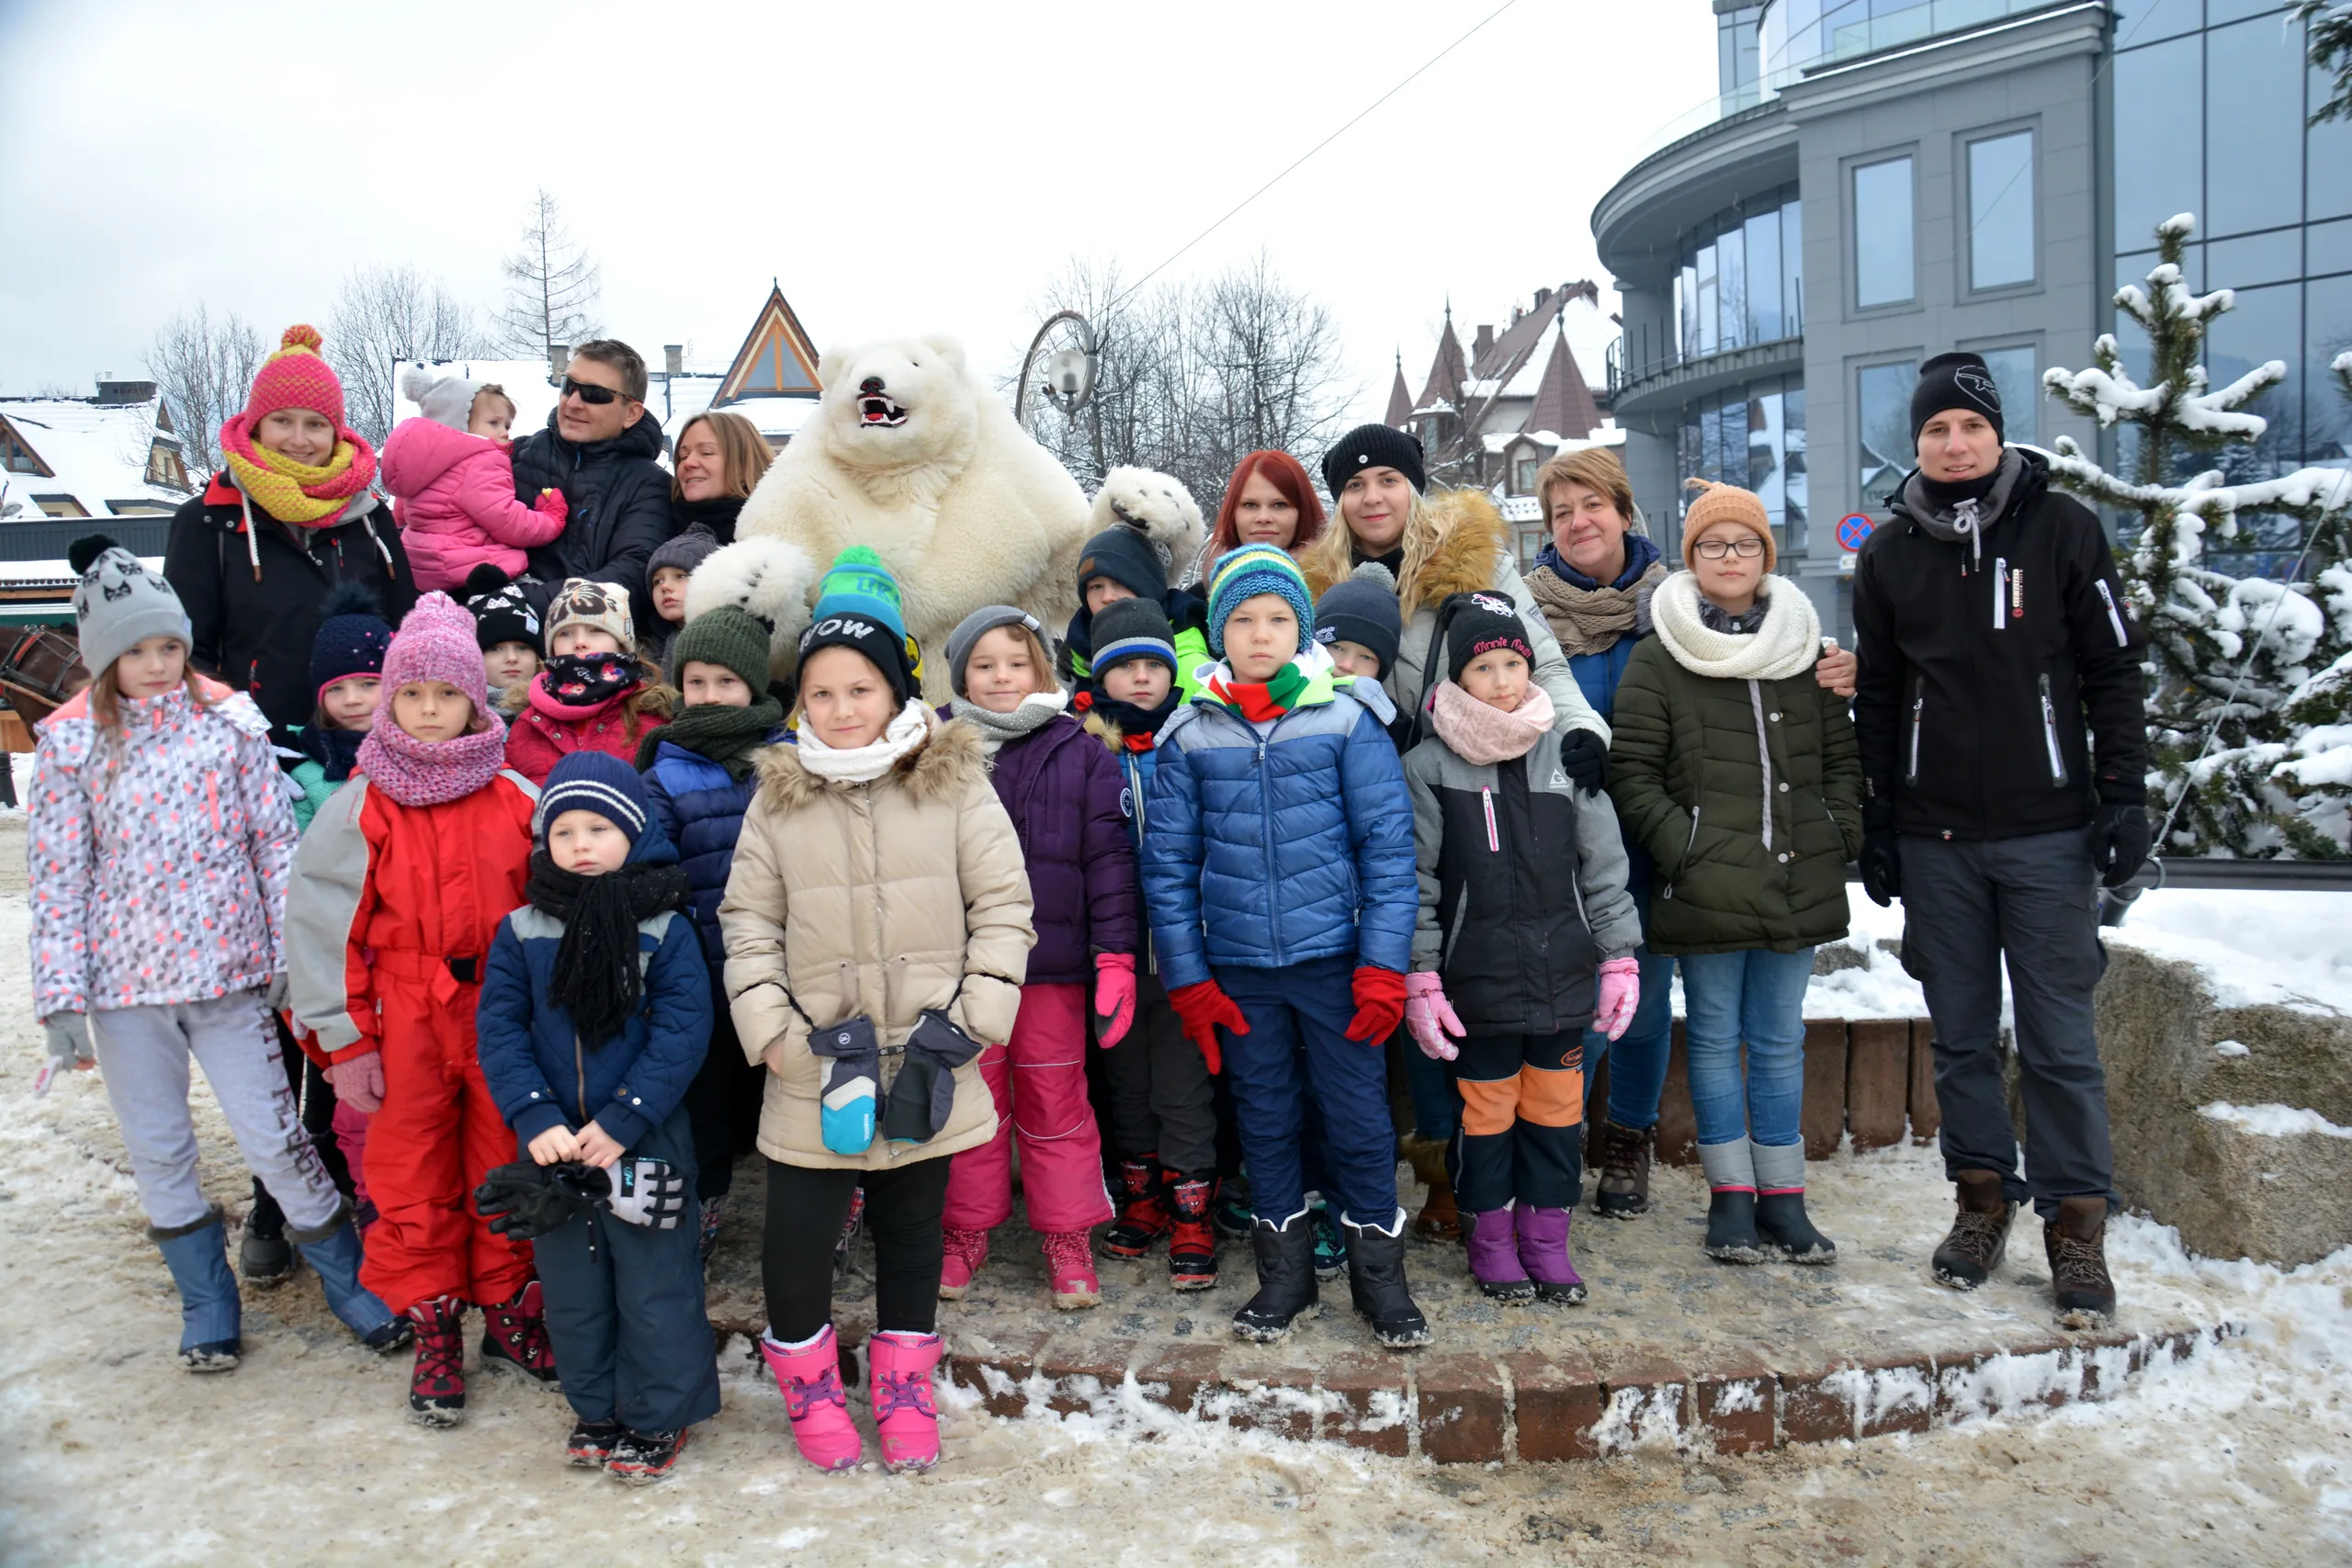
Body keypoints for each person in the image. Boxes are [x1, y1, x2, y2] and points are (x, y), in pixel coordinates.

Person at [29, 537, 404, 1370]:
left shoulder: (229, 727)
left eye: (169, 645)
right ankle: (206, 1300)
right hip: (128, 991)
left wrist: (286, 957)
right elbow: (57, 875)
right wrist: (60, 998)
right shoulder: (71, 750)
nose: (158, 665)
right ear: (104, 660)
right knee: (161, 1147)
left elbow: (276, 844)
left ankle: (345, 1278)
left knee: (273, 1134)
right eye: (136, 651)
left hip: (232, 977)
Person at [720, 548, 1033, 1475]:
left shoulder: (951, 780)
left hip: (929, 1056)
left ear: (896, 690)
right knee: (799, 1234)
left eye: (861, 687)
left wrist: (976, 1016)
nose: (843, 707)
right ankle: (808, 1384)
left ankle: (902, 1382)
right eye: (822, 693)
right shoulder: (778, 800)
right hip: (817, 1063)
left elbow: (1005, 907)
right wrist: (772, 1033)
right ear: (800, 704)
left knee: (911, 1232)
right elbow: (747, 924)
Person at [1853, 352, 2150, 1328]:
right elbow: (1883, 700)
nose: (1952, 443)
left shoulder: (2062, 530)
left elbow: (2111, 670)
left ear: (1994, 432)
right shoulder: (1890, 553)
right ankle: (1981, 1200)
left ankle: (2075, 1223)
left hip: (2049, 833)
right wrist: (1881, 823)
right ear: (1919, 443)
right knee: (1963, 1038)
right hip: (1936, 838)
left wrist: (2120, 796)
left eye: (1967, 427)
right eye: (1935, 430)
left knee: (2061, 1041)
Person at [1521, 447, 1856, 1223]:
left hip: (1666, 848)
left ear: (1626, 513)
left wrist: (1841, 667)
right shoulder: (1527, 612)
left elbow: (1772, 668)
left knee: (1642, 1008)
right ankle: (1557, 1132)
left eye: (1592, 505)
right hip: (1563, 843)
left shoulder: (1673, 608)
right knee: (1567, 1009)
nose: (1579, 522)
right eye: (1562, 511)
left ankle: (1629, 1140)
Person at [1140, 543, 1428, 1349]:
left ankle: (1382, 1281)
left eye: (1276, 618)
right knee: (1264, 1119)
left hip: (1336, 966)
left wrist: (1380, 966)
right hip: (1238, 975)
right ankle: (1284, 1275)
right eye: (1241, 619)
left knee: (1359, 1120)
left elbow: (1387, 853)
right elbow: (1166, 868)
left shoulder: (1345, 718)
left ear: (1299, 629)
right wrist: (1191, 981)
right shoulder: (1190, 736)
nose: (1259, 634)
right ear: (1218, 632)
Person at [285, 591, 551, 1426]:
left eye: (446, 695)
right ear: (390, 701)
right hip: (402, 1020)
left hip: (502, 1014)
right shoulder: (359, 806)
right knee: (409, 1175)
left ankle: (509, 1308)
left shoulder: (516, 795)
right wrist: (343, 1040)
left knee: (503, 1163)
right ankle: (434, 1319)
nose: (429, 712)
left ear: (476, 700)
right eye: (412, 695)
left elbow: (554, 914)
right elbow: (324, 934)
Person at [1608, 482, 1861, 1266]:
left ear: (1765, 556)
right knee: (1715, 1037)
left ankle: (1785, 1198)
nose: (1729, 557)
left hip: (1795, 874)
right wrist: (1684, 847)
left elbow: (1841, 760)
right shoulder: (1663, 651)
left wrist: (1837, 831)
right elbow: (1633, 770)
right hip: (1706, 884)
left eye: (1744, 544)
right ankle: (1730, 1197)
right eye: (1713, 544)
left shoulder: (1806, 649)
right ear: (1690, 556)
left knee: (1781, 1039)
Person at [476, 753, 719, 1483]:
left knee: (654, 1284)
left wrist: (623, 1119)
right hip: (554, 1151)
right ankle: (598, 1406)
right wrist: (533, 1114)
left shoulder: (666, 926)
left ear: (634, 832)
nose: (581, 842)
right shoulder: (521, 930)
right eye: (564, 830)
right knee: (575, 1287)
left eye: (600, 827)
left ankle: (658, 1414)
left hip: (644, 1140)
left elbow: (683, 1032)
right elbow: (501, 1029)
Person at [1401, 592, 1643, 1303]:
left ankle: (1546, 1239)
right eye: (1485, 668)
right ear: (1457, 680)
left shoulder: (1566, 758)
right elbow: (1416, 879)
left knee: (1555, 1117)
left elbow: (1603, 866)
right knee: (1487, 1119)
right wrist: (1422, 973)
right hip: (1477, 986)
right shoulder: (1430, 767)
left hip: (1564, 980)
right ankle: (1491, 1237)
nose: (1503, 680)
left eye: (1514, 663)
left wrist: (1618, 954)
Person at [938, 603, 1130, 1308]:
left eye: (1017, 662)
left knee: (1054, 1101)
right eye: (983, 665)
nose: (1001, 677)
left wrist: (1115, 954)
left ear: (1042, 668)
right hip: (965, 967)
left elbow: (1108, 857)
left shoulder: (1078, 747)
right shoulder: (938, 744)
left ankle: (1067, 1234)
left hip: (1054, 966)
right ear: (961, 674)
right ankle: (965, 1228)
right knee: (970, 1100)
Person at [164, 323, 417, 750]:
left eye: (315, 424)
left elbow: (405, 632)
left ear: (335, 432)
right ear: (257, 425)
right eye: (283, 421)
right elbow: (186, 651)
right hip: (252, 750)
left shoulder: (369, 517)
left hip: (362, 749)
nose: (299, 441)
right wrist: (233, 736)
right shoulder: (208, 520)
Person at [1302, 423, 1609, 760]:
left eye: (1388, 480)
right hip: (1353, 786)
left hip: (1467, 785)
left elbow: (1544, 665)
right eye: (1355, 485)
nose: (1372, 497)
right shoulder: (1316, 589)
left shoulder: (1479, 567)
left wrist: (1582, 726)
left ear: (1412, 489)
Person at [639, 605, 789, 1258]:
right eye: (695, 682)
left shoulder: (785, 760)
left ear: (753, 687)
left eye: (724, 682)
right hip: (699, 967)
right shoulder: (664, 768)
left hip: (784, 964)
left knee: (787, 1090)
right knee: (706, 1099)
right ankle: (705, 1203)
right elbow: (652, 858)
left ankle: (820, 1209)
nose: (708, 696)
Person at [1080, 595, 1220, 1289]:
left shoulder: (1193, 738)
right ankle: (1143, 1196)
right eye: (1125, 666)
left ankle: (1194, 1204)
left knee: (1182, 1081)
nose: (1141, 678)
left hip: (1185, 952)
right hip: (1112, 951)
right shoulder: (1083, 750)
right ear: (1100, 677)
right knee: (1125, 1080)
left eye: (1153, 665)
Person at [510, 340, 677, 633]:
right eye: (568, 386)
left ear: (631, 413)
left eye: (594, 394)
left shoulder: (650, 487)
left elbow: (629, 579)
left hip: (586, 653)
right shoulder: (518, 457)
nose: (573, 402)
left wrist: (512, 604)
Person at [380, 372, 568, 593]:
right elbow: (509, 522)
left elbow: (401, 517)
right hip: (474, 572)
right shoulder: (481, 461)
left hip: (423, 572)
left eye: (506, 426)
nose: (504, 433)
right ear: (457, 424)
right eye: (493, 423)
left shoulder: (421, 467)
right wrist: (551, 518)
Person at [504, 578, 673, 785]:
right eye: (565, 633)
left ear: (621, 644)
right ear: (551, 648)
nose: (580, 643)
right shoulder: (527, 724)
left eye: (596, 630)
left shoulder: (655, 716)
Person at [1062, 515, 1212, 704]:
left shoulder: (1193, 671)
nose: (1108, 597)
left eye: (1120, 582)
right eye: (1095, 587)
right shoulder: (1073, 659)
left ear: (1149, 587)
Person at [289, 584, 392, 832]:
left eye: (368, 684)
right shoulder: (306, 778)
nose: (352, 699)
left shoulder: (426, 755)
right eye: (336, 689)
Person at [1190, 448, 1329, 587]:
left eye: (1279, 505)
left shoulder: (1334, 597)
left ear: (1303, 512)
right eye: (1250, 505)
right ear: (1233, 512)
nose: (1263, 518)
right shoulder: (1195, 604)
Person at [670, 409, 773, 547]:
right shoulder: (660, 525)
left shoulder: (774, 534)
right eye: (684, 456)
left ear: (744, 464)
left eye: (706, 453)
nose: (688, 463)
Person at [461, 567, 545, 711]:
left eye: (522, 647)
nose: (512, 658)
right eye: (495, 649)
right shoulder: (456, 719)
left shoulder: (565, 706)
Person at [644, 525, 721, 672]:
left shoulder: (730, 638)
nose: (665, 586)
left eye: (681, 576)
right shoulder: (649, 650)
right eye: (657, 581)